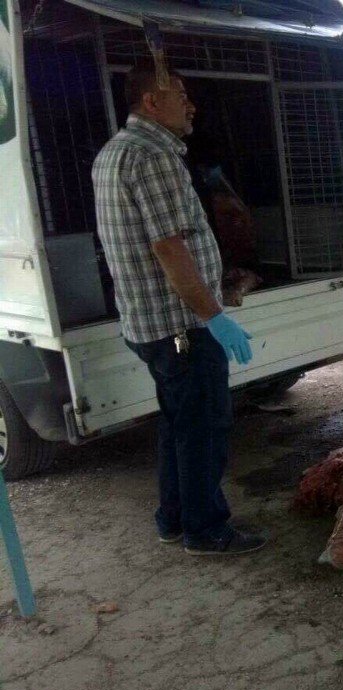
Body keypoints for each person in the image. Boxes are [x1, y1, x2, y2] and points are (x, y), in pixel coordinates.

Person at [92, 62, 265, 556]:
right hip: (180, 327)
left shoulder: (113, 152)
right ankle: (206, 529)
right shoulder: (152, 157)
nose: (190, 104)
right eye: (180, 94)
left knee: (177, 425)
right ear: (151, 102)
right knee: (204, 428)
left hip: (149, 324)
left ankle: (173, 518)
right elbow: (170, 249)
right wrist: (214, 315)